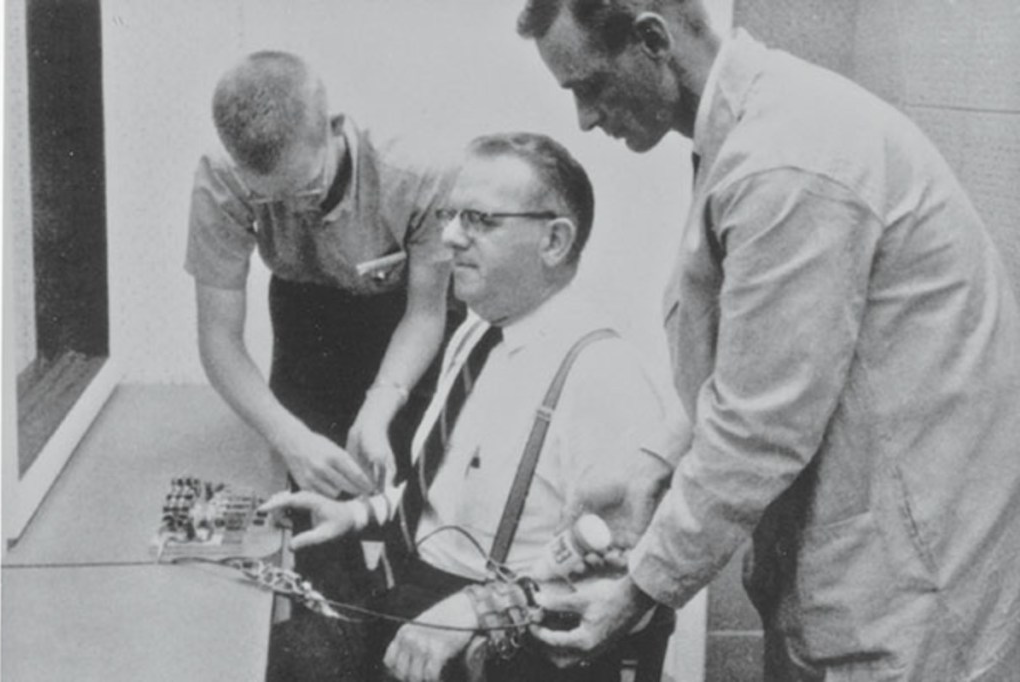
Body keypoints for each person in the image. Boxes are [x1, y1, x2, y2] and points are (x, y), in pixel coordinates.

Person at [517, 2, 1020, 680]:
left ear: (652, 40)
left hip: (910, 578)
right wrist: (653, 466)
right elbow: (757, 353)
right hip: (868, 560)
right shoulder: (753, 129)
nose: (584, 117)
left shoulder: (786, 158)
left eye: (592, 85)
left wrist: (640, 588)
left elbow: (761, 421)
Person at [262, 132, 671, 682]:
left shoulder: (604, 378)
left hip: (510, 647)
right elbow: (446, 497)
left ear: (554, 241)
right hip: (418, 599)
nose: (450, 237)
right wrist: (357, 514)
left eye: (478, 220)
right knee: (273, 656)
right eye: (450, 215)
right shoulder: (476, 333)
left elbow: (630, 584)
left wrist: (480, 611)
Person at [186, 51, 456, 602]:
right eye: (269, 199)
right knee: (309, 504)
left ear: (335, 129)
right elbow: (218, 338)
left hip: (405, 318)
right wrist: (291, 440)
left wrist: (380, 404)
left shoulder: (418, 172)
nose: (294, 210)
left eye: (306, 190)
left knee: (418, 503)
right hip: (307, 314)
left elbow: (426, 313)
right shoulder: (221, 176)